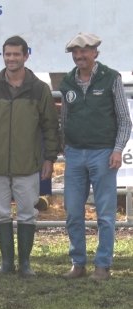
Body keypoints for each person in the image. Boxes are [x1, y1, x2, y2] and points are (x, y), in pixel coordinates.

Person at [0, 36, 60, 278]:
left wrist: (49, 158)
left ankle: (25, 263)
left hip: (28, 163)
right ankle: (6, 263)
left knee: (27, 212)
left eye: (16, 54)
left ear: (26, 56)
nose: (11, 58)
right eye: (7, 54)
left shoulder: (39, 88)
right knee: (0, 212)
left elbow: (50, 126)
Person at [60, 33, 132, 281]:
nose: (80, 56)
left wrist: (117, 149)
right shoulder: (68, 81)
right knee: (72, 210)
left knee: (105, 213)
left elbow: (124, 119)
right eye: (75, 53)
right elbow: (65, 119)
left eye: (85, 52)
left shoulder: (111, 78)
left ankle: (102, 265)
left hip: (103, 153)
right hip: (75, 153)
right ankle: (77, 263)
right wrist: (66, 147)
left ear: (95, 53)